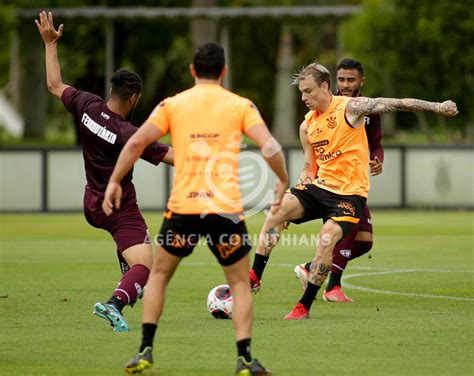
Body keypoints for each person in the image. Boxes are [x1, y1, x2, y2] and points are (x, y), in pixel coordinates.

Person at [102, 42, 287, 374]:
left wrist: (115, 180)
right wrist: (283, 179)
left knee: (158, 275)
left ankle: (144, 351)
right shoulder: (239, 105)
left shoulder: (173, 104)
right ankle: (244, 358)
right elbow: (270, 145)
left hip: (184, 209)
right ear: (224, 71)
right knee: (241, 284)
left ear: (192, 70)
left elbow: (135, 142)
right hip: (224, 210)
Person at [249, 61, 458, 320]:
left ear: (325, 87)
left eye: (308, 91)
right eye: (301, 92)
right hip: (319, 187)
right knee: (277, 209)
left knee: (327, 240)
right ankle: (254, 276)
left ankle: (304, 306)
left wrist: (437, 107)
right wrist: (295, 195)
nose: (303, 98)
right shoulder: (307, 126)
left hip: (349, 195)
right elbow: (308, 169)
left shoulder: (351, 108)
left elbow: (397, 103)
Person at [35, 11, 173, 332]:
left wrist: (50, 44)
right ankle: (115, 303)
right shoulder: (128, 133)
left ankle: (128, 283)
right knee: (147, 266)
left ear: (112, 91)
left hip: (91, 202)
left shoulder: (87, 105)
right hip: (118, 206)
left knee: (133, 254)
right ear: (134, 97)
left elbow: (54, 85)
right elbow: (170, 156)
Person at [293, 58, 384, 303]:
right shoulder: (325, 105)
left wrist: (377, 159)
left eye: (350, 79)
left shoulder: (364, 108)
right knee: (346, 232)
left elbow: (375, 143)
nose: (345, 84)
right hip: (333, 186)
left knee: (364, 242)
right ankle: (332, 287)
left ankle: (312, 266)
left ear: (360, 81)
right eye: (341, 79)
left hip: (354, 181)